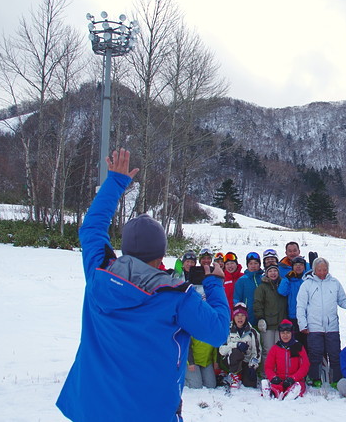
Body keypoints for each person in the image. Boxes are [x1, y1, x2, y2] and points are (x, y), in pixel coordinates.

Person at [56, 149, 229, 422]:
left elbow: (91, 229)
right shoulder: (177, 297)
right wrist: (214, 282)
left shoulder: (99, 273)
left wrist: (115, 182)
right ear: (161, 254)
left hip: (92, 410)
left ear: (125, 249)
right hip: (149, 413)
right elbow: (218, 331)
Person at [296, 257, 346, 387]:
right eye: (319, 270)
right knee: (315, 354)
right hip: (314, 327)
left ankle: (336, 379)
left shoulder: (334, 283)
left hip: (332, 326)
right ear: (314, 270)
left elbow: (342, 300)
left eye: (324, 269)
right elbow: (301, 306)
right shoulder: (307, 284)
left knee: (335, 354)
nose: (322, 272)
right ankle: (315, 378)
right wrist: (302, 324)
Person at [263, 319, 310, 400]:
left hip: (294, 380)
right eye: (283, 333)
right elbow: (268, 366)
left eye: (288, 333)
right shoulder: (275, 348)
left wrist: (294, 378)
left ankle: (291, 393)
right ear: (280, 334)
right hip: (280, 379)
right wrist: (273, 377)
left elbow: (305, 366)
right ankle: (272, 392)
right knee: (276, 386)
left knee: (299, 386)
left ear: (292, 333)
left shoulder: (298, 347)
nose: (285, 335)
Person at [219, 303, 262, 389]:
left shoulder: (252, 332)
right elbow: (221, 350)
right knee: (236, 352)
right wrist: (236, 345)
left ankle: (244, 375)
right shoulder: (227, 330)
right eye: (237, 315)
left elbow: (257, 352)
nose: (240, 318)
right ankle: (234, 376)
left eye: (242, 315)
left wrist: (253, 367)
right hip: (231, 361)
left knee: (250, 384)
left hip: (246, 362)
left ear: (246, 317)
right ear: (233, 317)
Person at [254, 264, 288, 369]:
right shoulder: (262, 287)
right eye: (270, 271)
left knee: (280, 350)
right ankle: (266, 374)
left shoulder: (283, 284)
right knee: (268, 350)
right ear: (267, 274)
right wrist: (260, 318)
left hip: (281, 324)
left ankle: (280, 372)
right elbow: (258, 303)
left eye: (275, 271)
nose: (273, 273)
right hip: (268, 324)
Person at [278, 255, 309, 346]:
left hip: (307, 316)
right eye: (296, 265)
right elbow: (282, 292)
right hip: (293, 316)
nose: (298, 267)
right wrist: (286, 279)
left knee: (308, 344)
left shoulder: (308, 279)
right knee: (296, 344)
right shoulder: (289, 280)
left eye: (300, 265)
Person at [233, 252, 264, 326]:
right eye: (250, 263)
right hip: (248, 316)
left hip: (263, 316)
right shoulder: (242, 280)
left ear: (259, 264)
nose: (253, 266)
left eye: (256, 263)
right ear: (247, 265)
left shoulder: (263, 279)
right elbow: (237, 299)